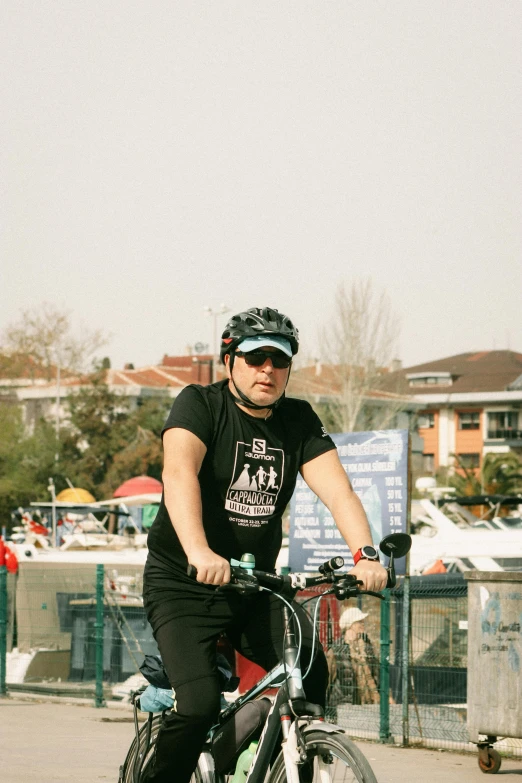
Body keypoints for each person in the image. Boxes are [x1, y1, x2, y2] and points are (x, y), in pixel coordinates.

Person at [141, 306, 387, 783]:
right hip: (185, 584)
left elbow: (339, 492)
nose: (268, 370)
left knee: (310, 676)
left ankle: (245, 759)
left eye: (279, 359)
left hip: (255, 586)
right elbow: (178, 473)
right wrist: (198, 551)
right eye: (255, 359)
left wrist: (366, 554)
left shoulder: (297, 420)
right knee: (196, 705)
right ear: (229, 360)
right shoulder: (200, 404)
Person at [326, 607, 380, 709]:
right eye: (359, 622)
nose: (362, 624)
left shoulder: (367, 648)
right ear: (350, 625)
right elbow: (327, 680)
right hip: (341, 703)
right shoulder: (337, 650)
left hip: (365, 703)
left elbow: (377, 674)